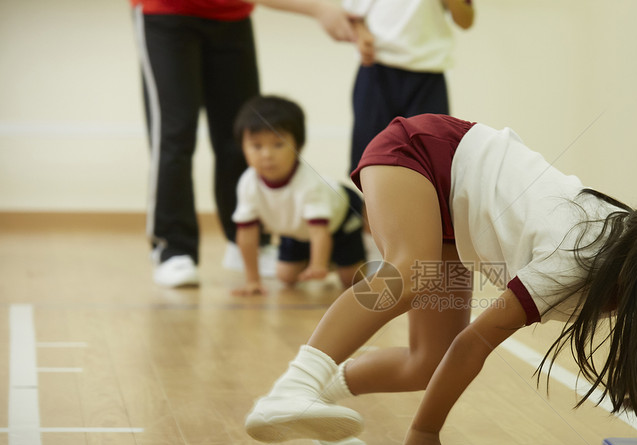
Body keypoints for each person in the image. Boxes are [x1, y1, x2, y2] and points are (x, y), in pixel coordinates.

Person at [243, 113, 637, 445]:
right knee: (408, 272)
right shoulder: (580, 257)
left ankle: (319, 400)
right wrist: (425, 432)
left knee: (423, 365)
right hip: (424, 153)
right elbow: (475, 342)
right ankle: (292, 386)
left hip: (454, 226)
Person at [131, 0, 355, 288]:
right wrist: (318, 9)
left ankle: (246, 242)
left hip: (232, 16)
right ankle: (173, 249)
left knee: (243, 135)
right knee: (174, 137)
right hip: (166, 15)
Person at [230, 95, 366, 295]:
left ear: (298, 146)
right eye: (256, 146)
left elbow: (320, 232)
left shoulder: (309, 184)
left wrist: (317, 266)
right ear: (242, 147)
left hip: (340, 220)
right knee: (286, 277)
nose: (266, 154)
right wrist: (252, 280)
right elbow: (246, 234)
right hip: (297, 231)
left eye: (278, 144)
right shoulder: (247, 183)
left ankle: (359, 253)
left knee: (351, 280)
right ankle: (327, 259)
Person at [343, 0, 475, 175]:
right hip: (378, 69)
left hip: (428, 74)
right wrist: (360, 34)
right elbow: (351, 14)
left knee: (430, 164)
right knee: (368, 164)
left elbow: (466, 20)